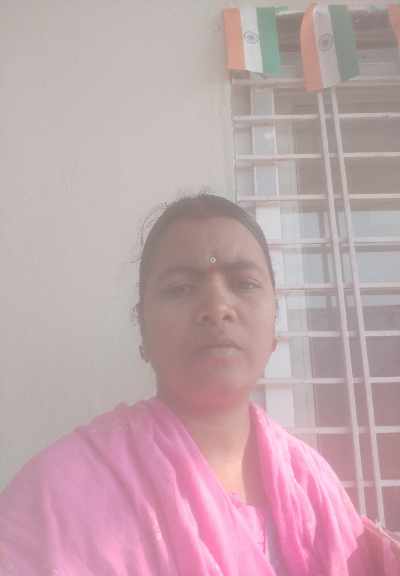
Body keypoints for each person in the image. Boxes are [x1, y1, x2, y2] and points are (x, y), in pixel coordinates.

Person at [0, 193, 398, 575]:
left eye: (244, 283)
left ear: (274, 324)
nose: (216, 307)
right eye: (181, 288)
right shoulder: (59, 496)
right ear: (143, 332)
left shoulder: (315, 484)